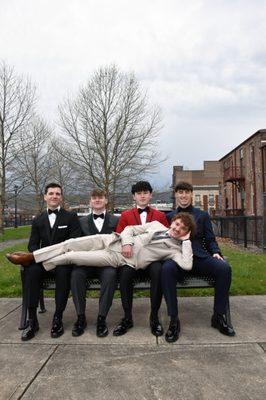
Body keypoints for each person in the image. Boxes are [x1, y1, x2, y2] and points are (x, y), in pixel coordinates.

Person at [7, 212, 195, 277]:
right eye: (177, 223)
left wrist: (186, 242)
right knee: (69, 243)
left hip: (117, 258)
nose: (177, 228)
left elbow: (187, 265)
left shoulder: (175, 249)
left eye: (182, 228)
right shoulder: (155, 225)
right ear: (174, 221)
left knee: (71, 257)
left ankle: (36, 262)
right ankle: (31, 257)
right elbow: (129, 228)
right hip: (111, 239)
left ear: (185, 232)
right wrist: (127, 242)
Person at [162, 181, 235, 343]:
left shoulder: (202, 215)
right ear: (176, 195)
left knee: (224, 268)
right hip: (178, 259)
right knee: (166, 270)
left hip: (200, 258)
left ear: (191, 194)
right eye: (180, 192)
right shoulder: (168, 217)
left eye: (186, 192)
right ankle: (174, 320)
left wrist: (216, 252)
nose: (183, 195)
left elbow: (210, 239)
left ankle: (218, 316)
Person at [15, 183, 81, 341]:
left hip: (63, 260)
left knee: (64, 273)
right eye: (51, 193)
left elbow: (75, 241)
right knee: (30, 272)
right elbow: (32, 244)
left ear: (61, 197)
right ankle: (32, 321)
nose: (54, 196)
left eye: (57, 194)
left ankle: (58, 318)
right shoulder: (38, 219)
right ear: (45, 196)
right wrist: (42, 255)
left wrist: (57, 255)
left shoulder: (70, 217)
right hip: (43, 261)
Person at [113, 181, 169, 338]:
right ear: (134, 196)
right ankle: (127, 317)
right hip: (131, 259)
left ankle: (154, 317)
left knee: (158, 271)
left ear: (150, 195)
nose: (142, 196)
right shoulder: (125, 215)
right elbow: (120, 236)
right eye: (139, 193)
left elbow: (165, 238)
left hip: (152, 258)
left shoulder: (160, 216)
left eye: (145, 192)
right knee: (124, 273)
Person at [71, 189, 119, 338]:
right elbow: (76, 244)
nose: (97, 200)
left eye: (100, 197)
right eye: (94, 198)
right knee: (76, 275)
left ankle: (101, 318)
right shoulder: (81, 221)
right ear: (90, 201)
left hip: (106, 263)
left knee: (111, 275)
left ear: (106, 200)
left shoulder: (116, 221)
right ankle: (80, 318)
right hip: (86, 263)